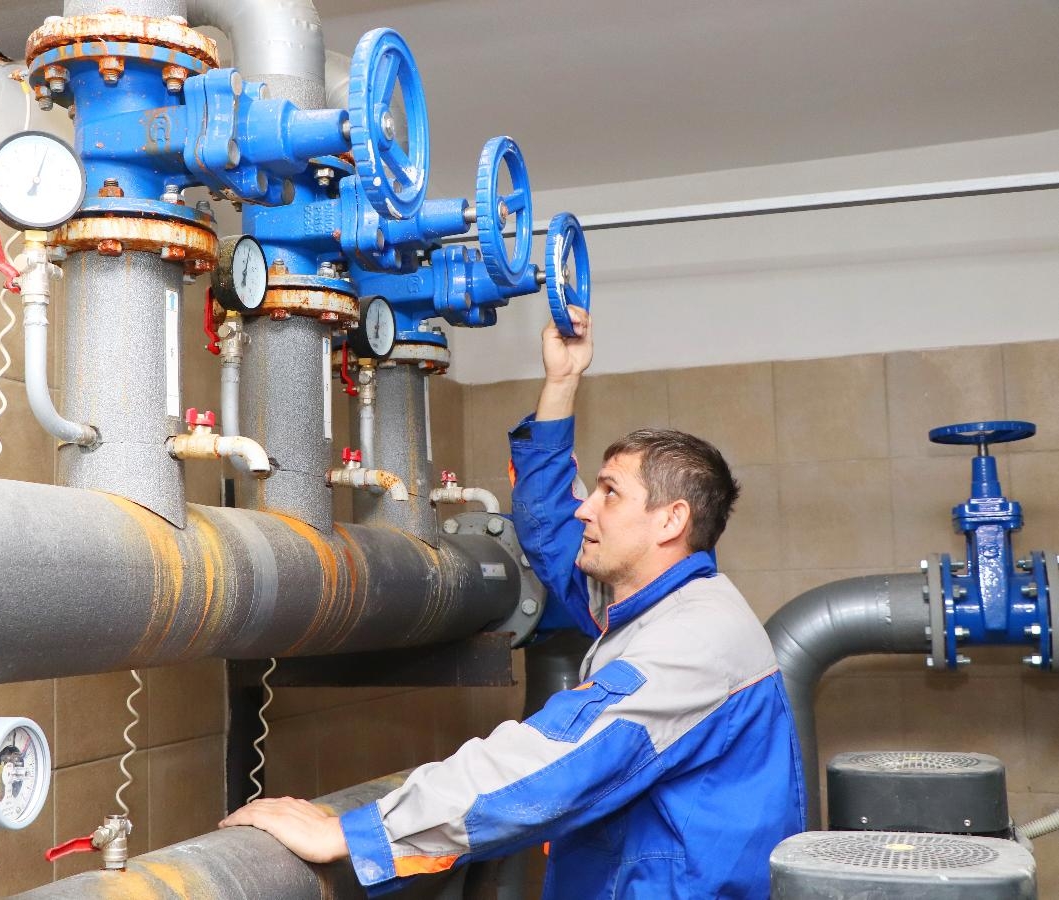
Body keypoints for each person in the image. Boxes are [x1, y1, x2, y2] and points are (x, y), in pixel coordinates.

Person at [220, 308, 806, 898]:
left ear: (671, 520)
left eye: (610, 493)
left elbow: (549, 765)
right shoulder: (659, 599)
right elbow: (552, 526)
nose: (587, 508)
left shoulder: (690, 645)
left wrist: (353, 833)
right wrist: (562, 381)